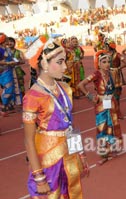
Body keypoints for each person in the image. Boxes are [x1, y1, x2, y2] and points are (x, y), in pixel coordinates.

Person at [23, 36, 89, 198]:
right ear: (45, 64)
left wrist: (80, 154)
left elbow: (70, 125)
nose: (65, 67)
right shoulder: (33, 96)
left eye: (64, 61)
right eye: (60, 62)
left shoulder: (66, 88)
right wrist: (39, 177)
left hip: (68, 153)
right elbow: (28, 140)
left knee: (71, 192)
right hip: (48, 158)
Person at [78, 50, 122, 165]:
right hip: (101, 104)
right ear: (98, 63)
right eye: (104, 61)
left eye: (108, 61)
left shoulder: (111, 73)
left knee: (111, 125)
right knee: (101, 128)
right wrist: (90, 96)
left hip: (111, 104)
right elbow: (80, 85)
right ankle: (103, 153)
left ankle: (111, 148)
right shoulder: (96, 74)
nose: (107, 63)